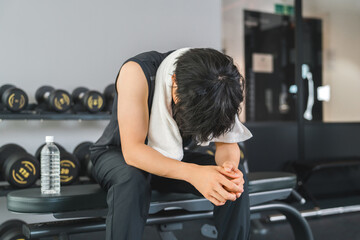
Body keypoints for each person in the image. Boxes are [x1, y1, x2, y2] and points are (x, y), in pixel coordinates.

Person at [90, 48, 252, 240]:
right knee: (132, 178)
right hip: (118, 154)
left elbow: (227, 144)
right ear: (174, 83)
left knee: (231, 179)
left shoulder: (222, 85)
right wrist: (193, 173)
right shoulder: (136, 72)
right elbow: (133, 151)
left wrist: (228, 170)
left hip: (172, 158)